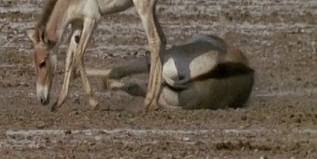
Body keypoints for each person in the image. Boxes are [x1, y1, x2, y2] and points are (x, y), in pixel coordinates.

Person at [87, 34, 255, 109]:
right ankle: (130, 88)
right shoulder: (243, 76)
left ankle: (111, 74)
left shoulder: (212, 46)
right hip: (187, 97)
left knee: (159, 64)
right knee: (160, 92)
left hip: (185, 79)